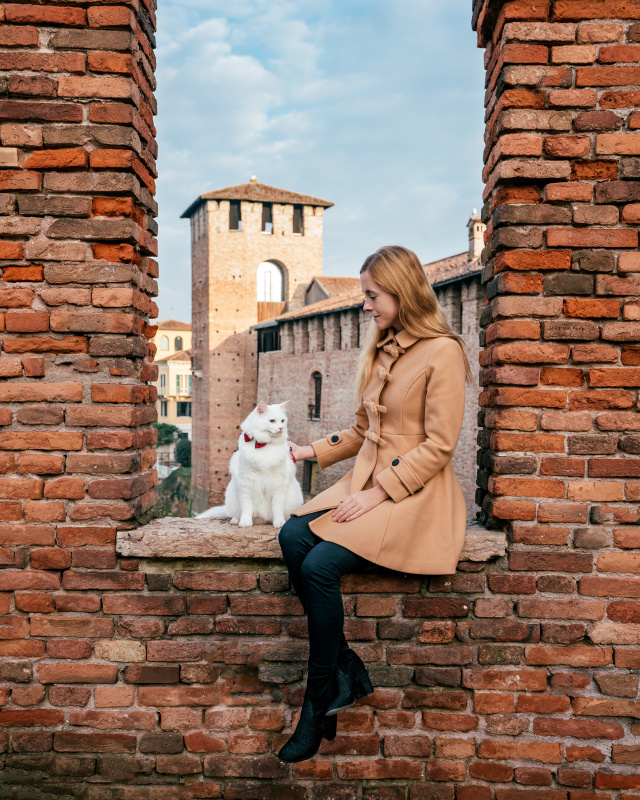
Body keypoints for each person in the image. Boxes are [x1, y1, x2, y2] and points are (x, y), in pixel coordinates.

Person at [277, 244, 472, 763]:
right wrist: (308, 451)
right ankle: (343, 671)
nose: (365, 306)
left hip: (414, 496)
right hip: (368, 485)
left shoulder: (443, 352)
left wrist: (376, 494)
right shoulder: (382, 349)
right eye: (364, 296)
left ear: (402, 293)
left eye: (372, 296)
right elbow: (363, 430)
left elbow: (439, 445)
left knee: (319, 564)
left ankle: (316, 704)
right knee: (291, 534)